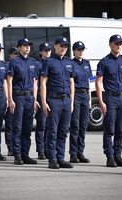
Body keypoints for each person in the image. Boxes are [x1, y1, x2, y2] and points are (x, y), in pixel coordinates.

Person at [95, 34, 122, 168]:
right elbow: (98, 83)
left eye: (120, 43)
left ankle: (118, 155)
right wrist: (101, 102)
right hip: (110, 98)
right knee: (110, 129)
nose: (119, 46)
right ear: (110, 44)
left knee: (120, 129)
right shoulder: (104, 62)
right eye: (116, 43)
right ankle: (109, 156)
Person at [41, 37, 75, 169]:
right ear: (55, 46)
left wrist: (71, 101)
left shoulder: (69, 62)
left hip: (66, 100)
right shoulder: (49, 62)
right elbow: (43, 83)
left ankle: (61, 157)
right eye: (61, 46)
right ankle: (52, 159)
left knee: (63, 131)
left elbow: (71, 82)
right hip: (53, 100)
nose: (64, 48)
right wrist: (44, 102)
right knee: (53, 131)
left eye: (66, 46)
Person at [8, 38, 38, 165]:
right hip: (18, 96)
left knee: (27, 127)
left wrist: (35, 99)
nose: (27, 48)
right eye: (24, 46)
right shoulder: (14, 62)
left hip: (30, 97)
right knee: (17, 127)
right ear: (19, 48)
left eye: (29, 45)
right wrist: (10, 99)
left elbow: (35, 82)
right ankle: (17, 155)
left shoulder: (33, 62)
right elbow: (9, 81)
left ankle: (25, 154)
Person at [69, 41, 92, 163]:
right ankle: (73, 153)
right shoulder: (71, 64)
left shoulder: (87, 64)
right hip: (76, 94)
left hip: (85, 95)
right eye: (78, 49)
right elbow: (71, 83)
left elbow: (88, 82)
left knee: (83, 125)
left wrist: (89, 99)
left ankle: (80, 152)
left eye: (82, 49)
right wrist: (72, 101)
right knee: (75, 125)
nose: (81, 51)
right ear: (74, 51)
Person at [34, 42, 52, 160]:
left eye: (49, 50)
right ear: (41, 52)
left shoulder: (53, 63)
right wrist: (35, 99)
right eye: (45, 50)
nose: (47, 52)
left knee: (51, 125)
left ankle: (48, 149)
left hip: (52, 95)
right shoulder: (37, 65)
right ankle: (40, 150)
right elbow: (35, 82)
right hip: (41, 95)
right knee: (41, 124)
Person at [4, 46, 20, 156]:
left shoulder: (20, 64)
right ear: (10, 55)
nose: (16, 56)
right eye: (14, 54)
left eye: (18, 54)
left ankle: (18, 147)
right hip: (11, 96)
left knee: (19, 125)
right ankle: (10, 147)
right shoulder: (6, 66)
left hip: (20, 97)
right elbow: (6, 83)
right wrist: (8, 99)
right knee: (9, 124)